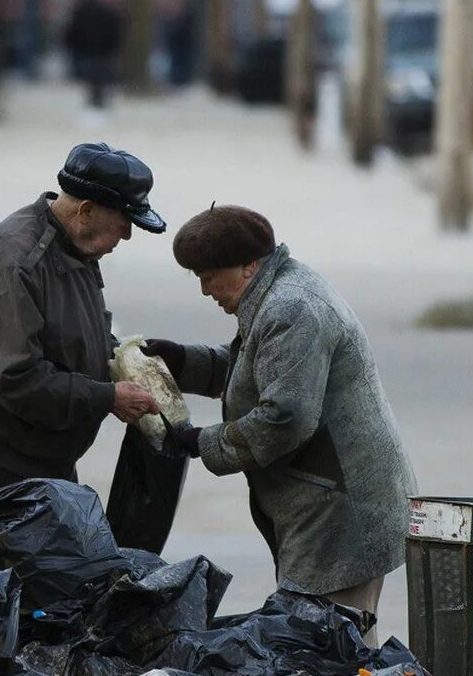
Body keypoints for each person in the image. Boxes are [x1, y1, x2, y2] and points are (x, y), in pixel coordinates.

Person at [144, 206, 415, 640]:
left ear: (249, 265)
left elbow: (284, 417)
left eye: (210, 274)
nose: (203, 289)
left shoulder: (292, 308)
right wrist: (182, 359)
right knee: (326, 643)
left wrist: (202, 442)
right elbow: (256, 371)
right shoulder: (275, 292)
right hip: (323, 498)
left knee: (329, 650)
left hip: (338, 508)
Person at [0, 143, 167, 497]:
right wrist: (106, 398)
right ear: (86, 211)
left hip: (49, 452)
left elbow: (83, 332)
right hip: (14, 460)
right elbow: (17, 379)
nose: (127, 235)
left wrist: (127, 364)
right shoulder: (17, 261)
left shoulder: (77, 243)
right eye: (123, 223)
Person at [64, 0, 125, 111]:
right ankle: (98, 97)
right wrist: (113, 49)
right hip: (103, 51)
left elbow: (72, 31)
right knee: (99, 75)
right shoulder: (109, 12)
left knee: (91, 75)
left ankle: (94, 98)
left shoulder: (80, 11)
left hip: (86, 50)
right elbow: (115, 32)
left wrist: (73, 46)